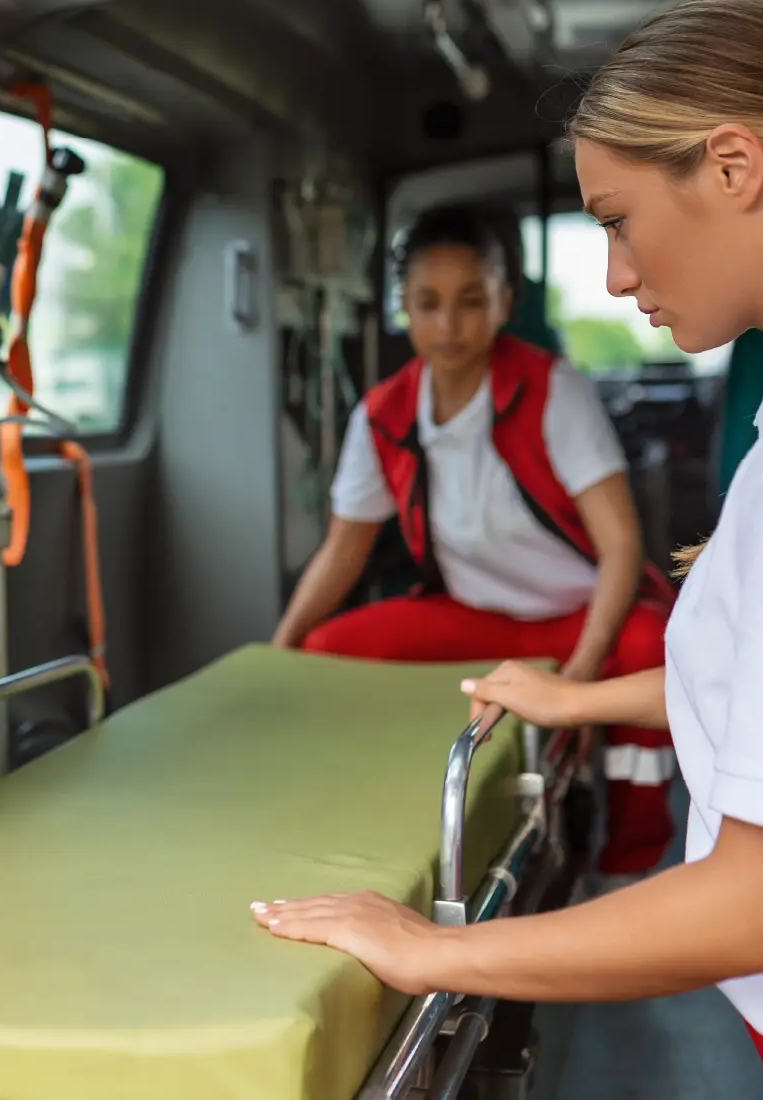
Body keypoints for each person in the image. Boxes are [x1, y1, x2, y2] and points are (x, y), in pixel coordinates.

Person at [253, 0, 763, 1099]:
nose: (615, 275)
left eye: (618, 220)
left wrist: (436, 950)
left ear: (734, 166)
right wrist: (578, 699)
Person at [272, 206, 677, 878]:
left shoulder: (552, 390)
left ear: (504, 303)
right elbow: (343, 551)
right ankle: (364, 807)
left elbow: (620, 545)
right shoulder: (382, 414)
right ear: (404, 308)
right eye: (428, 304)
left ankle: (629, 860)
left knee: (647, 646)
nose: (448, 325)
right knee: (325, 651)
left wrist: (578, 679)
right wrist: (281, 649)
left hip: (579, 618)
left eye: (471, 301)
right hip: (475, 620)